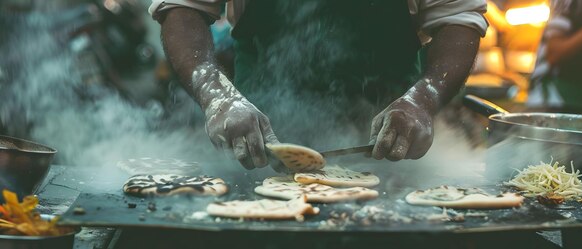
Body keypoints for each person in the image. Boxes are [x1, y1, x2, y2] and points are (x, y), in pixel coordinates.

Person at [148, 0, 488, 170]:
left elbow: (457, 19)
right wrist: (218, 97)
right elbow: (182, 8)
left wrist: (423, 100)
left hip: (388, 138)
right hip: (260, 133)